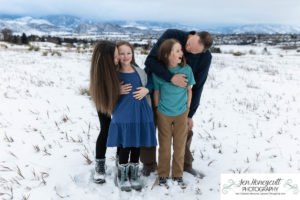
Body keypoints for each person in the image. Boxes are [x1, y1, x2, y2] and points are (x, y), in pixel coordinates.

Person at [141, 29, 213, 177]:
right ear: (193, 36)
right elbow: (150, 61)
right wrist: (171, 77)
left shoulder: (205, 58)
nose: (188, 51)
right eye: (188, 46)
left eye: (194, 52)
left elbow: (198, 86)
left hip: (179, 100)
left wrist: (190, 114)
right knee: (149, 125)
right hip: (155, 90)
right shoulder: (171, 35)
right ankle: (148, 165)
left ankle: (185, 165)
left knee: (185, 130)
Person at [106, 41, 157, 191]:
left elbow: (151, 83)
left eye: (129, 53)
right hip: (124, 113)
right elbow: (107, 91)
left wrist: (147, 90)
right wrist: (116, 90)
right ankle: (122, 175)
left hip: (141, 112)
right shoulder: (114, 73)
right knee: (125, 145)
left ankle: (133, 174)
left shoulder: (138, 71)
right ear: (116, 56)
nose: (126, 56)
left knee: (136, 145)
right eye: (121, 53)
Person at [152, 39, 195, 187]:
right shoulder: (159, 73)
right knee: (164, 145)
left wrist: (187, 108)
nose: (181, 53)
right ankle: (163, 174)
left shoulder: (187, 70)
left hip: (181, 113)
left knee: (179, 145)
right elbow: (156, 92)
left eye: (181, 50)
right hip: (163, 113)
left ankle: (178, 174)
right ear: (166, 55)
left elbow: (189, 90)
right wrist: (157, 109)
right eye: (177, 51)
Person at [89, 41, 121, 184]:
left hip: (122, 101)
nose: (118, 59)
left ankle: (121, 161)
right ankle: (100, 165)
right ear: (106, 61)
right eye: (115, 57)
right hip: (104, 98)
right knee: (106, 129)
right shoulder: (100, 74)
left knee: (122, 128)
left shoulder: (121, 67)